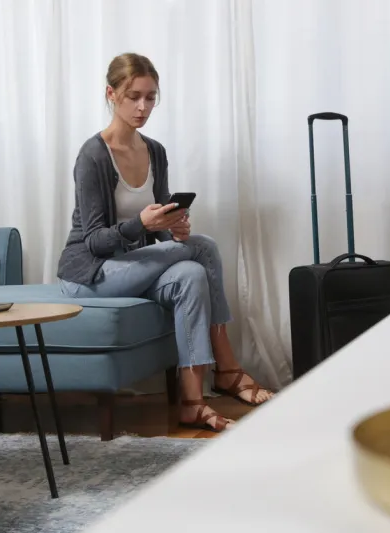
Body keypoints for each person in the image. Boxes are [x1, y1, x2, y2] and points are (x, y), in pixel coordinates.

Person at [56, 52, 273, 433]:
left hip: (136, 264)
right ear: (111, 94)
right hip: (91, 274)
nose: (142, 107)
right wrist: (140, 224)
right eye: (133, 96)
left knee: (191, 273)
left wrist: (173, 229)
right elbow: (94, 241)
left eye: (150, 97)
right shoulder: (93, 156)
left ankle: (192, 402)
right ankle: (228, 369)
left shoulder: (154, 151)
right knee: (204, 248)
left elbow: (157, 226)